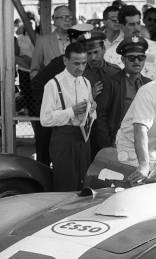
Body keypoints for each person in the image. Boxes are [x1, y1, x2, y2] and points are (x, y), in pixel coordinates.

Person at [40, 43, 96, 192]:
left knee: (84, 182)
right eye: (76, 63)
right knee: (65, 184)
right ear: (65, 61)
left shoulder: (86, 82)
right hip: (63, 139)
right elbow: (45, 119)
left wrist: (92, 109)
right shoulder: (53, 85)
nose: (81, 68)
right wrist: (72, 111)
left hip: (84, 139)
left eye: (84, 63)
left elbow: (91, 114)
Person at [97, 35, 151, 154]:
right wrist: (107, 145)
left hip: (144, 144)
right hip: (117, 144)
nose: (136, 61)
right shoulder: (111, 82)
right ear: (123, 60)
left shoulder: (149, 84)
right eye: (131, 58)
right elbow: (101, 116)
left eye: (141, 57)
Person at [77, 30, 121, 159]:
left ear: (103, 49)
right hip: (90, 131)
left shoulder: (115, 72)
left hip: (112, 127)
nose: (93, 57)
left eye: (96, 52)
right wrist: (90, 96)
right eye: (88, 53)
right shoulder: (80, 75)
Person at [104, 5, 156, 80]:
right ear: (122, 26)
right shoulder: (110, 54)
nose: (137, 28)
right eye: (131, 24)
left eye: (138, 23)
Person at [30, 5, 73, 79]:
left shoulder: (77, 40)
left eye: (69, 17)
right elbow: (34, 71)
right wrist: (44, 85)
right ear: (54, 20)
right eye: (62, 17)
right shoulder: (43, 41)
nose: (67, 20)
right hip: (52, 88)